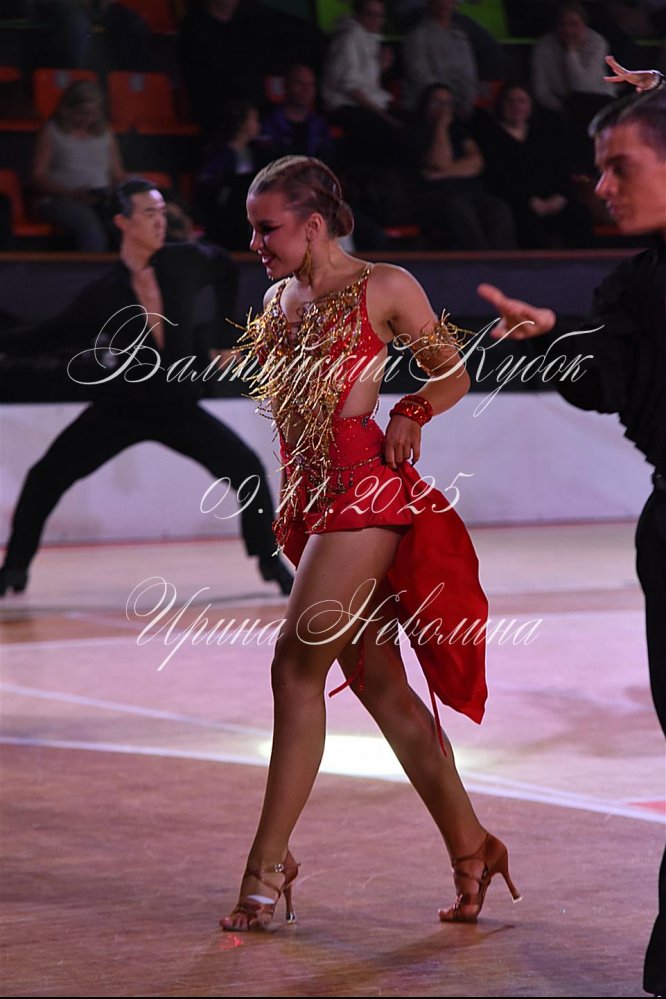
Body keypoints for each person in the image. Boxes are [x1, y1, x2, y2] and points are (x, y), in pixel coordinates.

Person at [219, 155, 521, 933]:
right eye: (253, 229)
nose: (255, 242)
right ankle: (473, 844)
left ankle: (267, 863)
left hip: (366, 495)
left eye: (266, 228)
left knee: (295, 663)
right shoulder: (276, 297)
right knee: (381, 688)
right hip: (308, 503)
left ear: (313, 223)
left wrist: (412, 410)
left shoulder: (383, 285)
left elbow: (452, 374)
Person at [476, 65, 665, 996]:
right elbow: (608, 377)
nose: (601, 185)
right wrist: (552, 337)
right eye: (598, 168)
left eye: (620, 165)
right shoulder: (634, 286)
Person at [0, 178, 293, 598]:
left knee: (246, 469)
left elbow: (227, 268)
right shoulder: (103, 294)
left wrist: (222, 336)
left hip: (178, 407)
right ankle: (13, 569)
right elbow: (43, 338)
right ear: (123, 222)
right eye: (149, 214)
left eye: (162, 213)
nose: (160, 222)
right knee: (44, 478)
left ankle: (268, 561)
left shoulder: (186, 261)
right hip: (121, 409)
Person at [474, 81, 590, 248]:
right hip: (515, 200)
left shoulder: (543, 133)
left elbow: (561, 168)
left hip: (552, 199)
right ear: (501, 105)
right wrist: (529, 201)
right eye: (510, 101)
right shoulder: (490, 136)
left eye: (522, 101)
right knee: (525, 221)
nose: (516, 106)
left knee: (578, 215)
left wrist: (560, 197)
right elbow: (496, 177)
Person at [406, 84, 516, 250]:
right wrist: (441, 128)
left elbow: (476, 162)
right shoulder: (414, 132)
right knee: (458, 207)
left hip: (467, 192)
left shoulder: (459, 131)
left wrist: (440, 174)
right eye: (437, 102)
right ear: (425, 104)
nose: (443, 108)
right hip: (432, 196)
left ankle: (502, 261)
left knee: (499, 208)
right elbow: (439, 162)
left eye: (447, 103)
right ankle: (478, 258)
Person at [31, 79, 125, 252]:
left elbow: (117, 173)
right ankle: (89, 269)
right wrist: (71, 194)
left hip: (101, 197)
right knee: (90, 228)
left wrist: (116, 192)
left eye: (93, 113)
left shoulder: (106, 132)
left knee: (125, 224)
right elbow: (39, 176)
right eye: (82, 113)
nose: (88, 119)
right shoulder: (52, 131)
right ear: (68, 109)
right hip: (61, 199)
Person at [401, 0, 479, 116]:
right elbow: (420, 76)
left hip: (460, 111)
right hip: (427, 112)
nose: (443, 3)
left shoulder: (460, 37)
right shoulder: (416, 36)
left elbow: (469, 76)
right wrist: (446, 104)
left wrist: (465, 104)